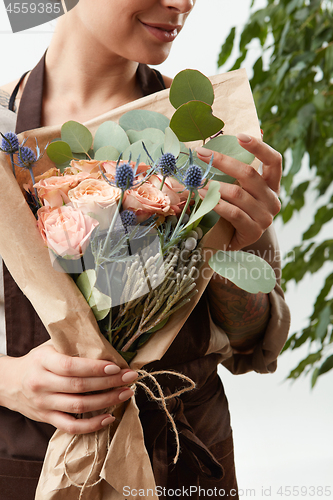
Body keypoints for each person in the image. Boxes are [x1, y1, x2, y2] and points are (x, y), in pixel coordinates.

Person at [0, 1, 290, 499]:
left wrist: (225, 253)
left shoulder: (211, 131)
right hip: (29, 468)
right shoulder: (5, 132)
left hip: (185, 463)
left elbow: (252, 341)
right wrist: (7, 380)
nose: (182, 3)